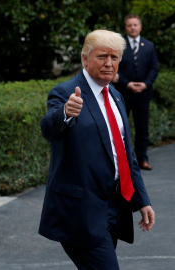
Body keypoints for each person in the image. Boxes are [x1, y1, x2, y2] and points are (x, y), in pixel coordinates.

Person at [39, 29, 155, 270]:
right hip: (79, 212)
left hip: (113, 208)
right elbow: (49, 128)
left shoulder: (116, 96)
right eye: (102, 56)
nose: (109, 64)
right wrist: (65, 114)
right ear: (85, 58)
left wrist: (142, 200)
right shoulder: (66, 92)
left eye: (114, 58)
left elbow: (126, 155)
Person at [113, 14, 159, 170]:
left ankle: (142, 159)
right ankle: (123, 160)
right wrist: (128, 84)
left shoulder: (149, 46)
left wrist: (145, 84)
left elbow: (154, 68)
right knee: (121, 128)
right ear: (125, 27)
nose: (132, 28)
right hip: (123, 94)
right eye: (129, 25)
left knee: (142, 129)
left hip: (143, 94)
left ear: (140, 27)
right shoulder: (119, 46)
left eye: (135, 25)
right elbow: (114, 68)